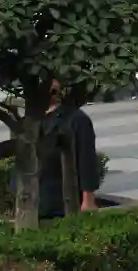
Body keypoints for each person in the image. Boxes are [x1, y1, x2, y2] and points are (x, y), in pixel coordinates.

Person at [39, 82, 101, 219]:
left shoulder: (77, 119)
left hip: (60, 201)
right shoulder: (32, 118)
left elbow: (87, 160)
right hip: (34, 198)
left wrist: (88, 200)